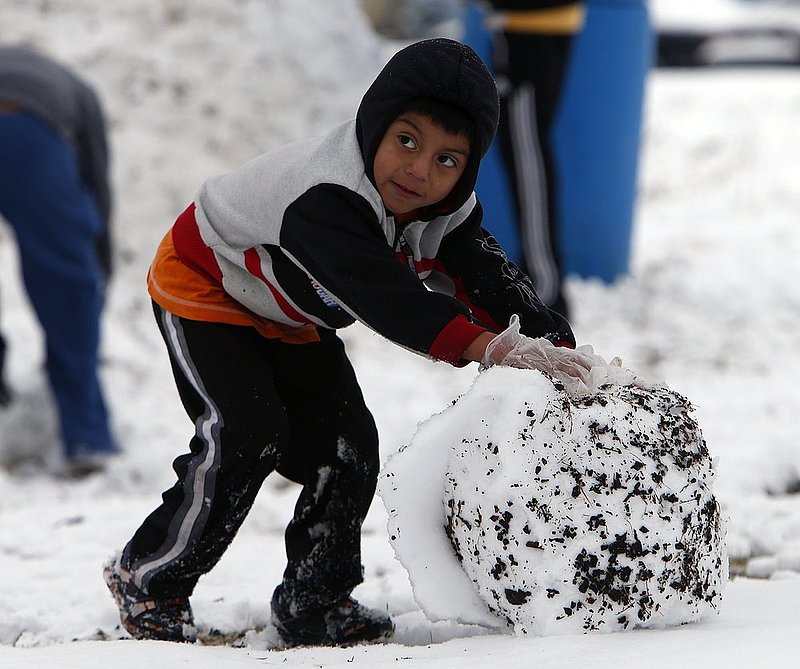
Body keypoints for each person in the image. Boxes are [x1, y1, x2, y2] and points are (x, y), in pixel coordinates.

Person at [103, 38, 592, 647]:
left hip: (288, 309)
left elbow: (488, 274)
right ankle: (149, 578)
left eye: (447, 160)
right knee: (247, 435)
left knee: (347, 445)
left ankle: (314, 601)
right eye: (406, 141)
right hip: (210, 284)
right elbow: (395, 302)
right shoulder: (327, 197)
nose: (420, 171)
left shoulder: (444, 207)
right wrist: (491, 349)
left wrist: (556, 348)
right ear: (373, 126)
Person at [0, 45, 117, 475]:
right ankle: (86, 439)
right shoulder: (79, 91)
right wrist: (96, 268)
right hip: (32, 137)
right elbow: (96, 182)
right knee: (66, 286)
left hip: (31, 122)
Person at [484, 0, 586, 318]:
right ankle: (542, 281)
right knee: (524, 148)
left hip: (529, 23)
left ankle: (544, 287)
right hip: (531, 21)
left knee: (526, 150)